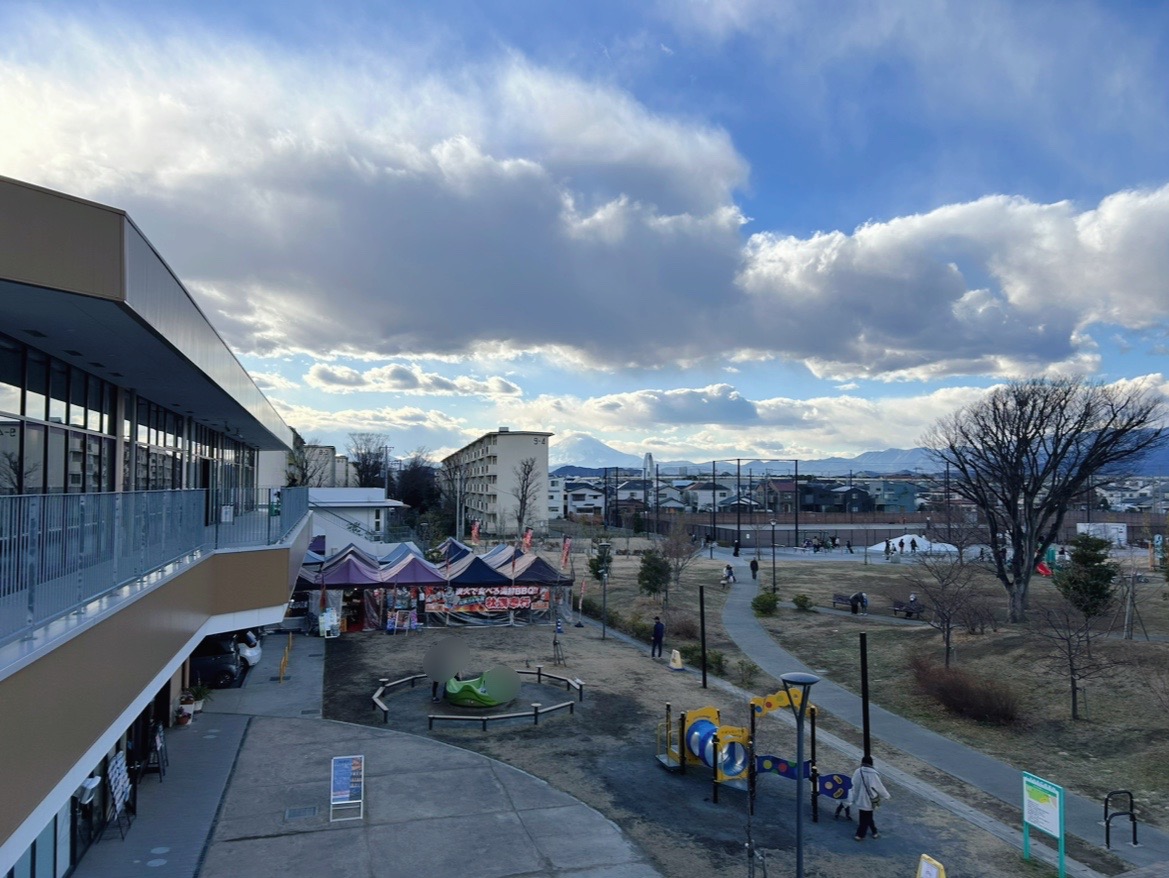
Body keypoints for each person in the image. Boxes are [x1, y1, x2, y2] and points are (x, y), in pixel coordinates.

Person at [849, 755, 891, 841]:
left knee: (864, 816)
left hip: (860, 799)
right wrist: (886, 795)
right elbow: (879, 787)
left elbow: (854, 784)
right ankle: (861, 834)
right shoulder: (873, 774)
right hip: (869, 800)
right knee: (867, 817)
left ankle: (873, 831)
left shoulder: (858, 771)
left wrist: (854, 796)